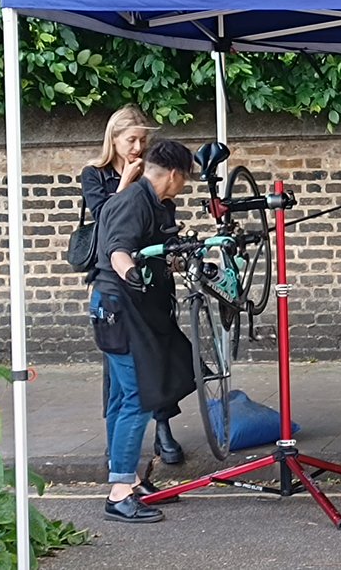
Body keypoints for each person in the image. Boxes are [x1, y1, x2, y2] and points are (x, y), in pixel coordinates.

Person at [91, 139, 197, 523]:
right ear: (173, 174)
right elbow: (118, 248)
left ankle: (129, 479)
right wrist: (131, 273)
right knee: (139, 395)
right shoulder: (132, 202)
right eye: (185, 179)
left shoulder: (154, 204)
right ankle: (119, 493)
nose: (184, 186)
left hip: (123, 308)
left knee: (122, 398)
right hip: (119, 308)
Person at [81, 104, 185, 465]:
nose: (138, 147)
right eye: (131, 139)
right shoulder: (97, 176)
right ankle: (120, 475)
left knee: (139, 385)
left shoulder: (155, 190)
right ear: (114, 139)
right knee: (134, 390)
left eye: (143, 140)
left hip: (143, 292)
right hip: (118, 294)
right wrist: (130, 181)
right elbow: (110, 226)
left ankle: (142, 450)